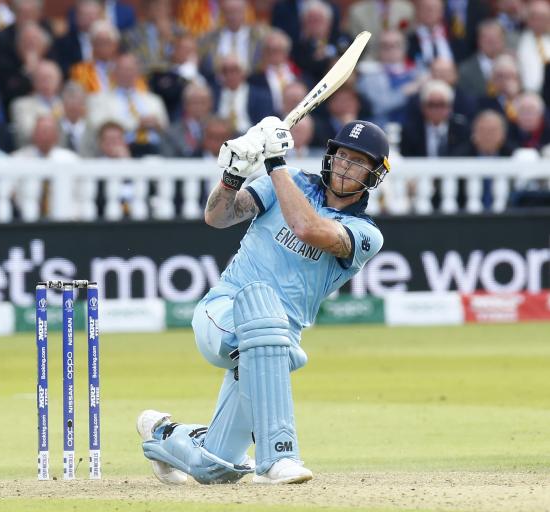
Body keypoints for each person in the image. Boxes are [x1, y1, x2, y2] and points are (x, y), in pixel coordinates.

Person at [137, 115, 390, 485]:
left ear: (374, 174)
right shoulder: (290, 182)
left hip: (272, 345)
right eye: (342, 156)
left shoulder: (366, 233)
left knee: (217, 468)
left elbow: (309, 229)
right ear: (330, 156)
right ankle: (278, 458)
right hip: (224, 311)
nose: (345, 167)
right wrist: (232, 176)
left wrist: (275, 164)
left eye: (358, 162)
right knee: (267, 326)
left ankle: (163, 436)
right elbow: (217, 216)